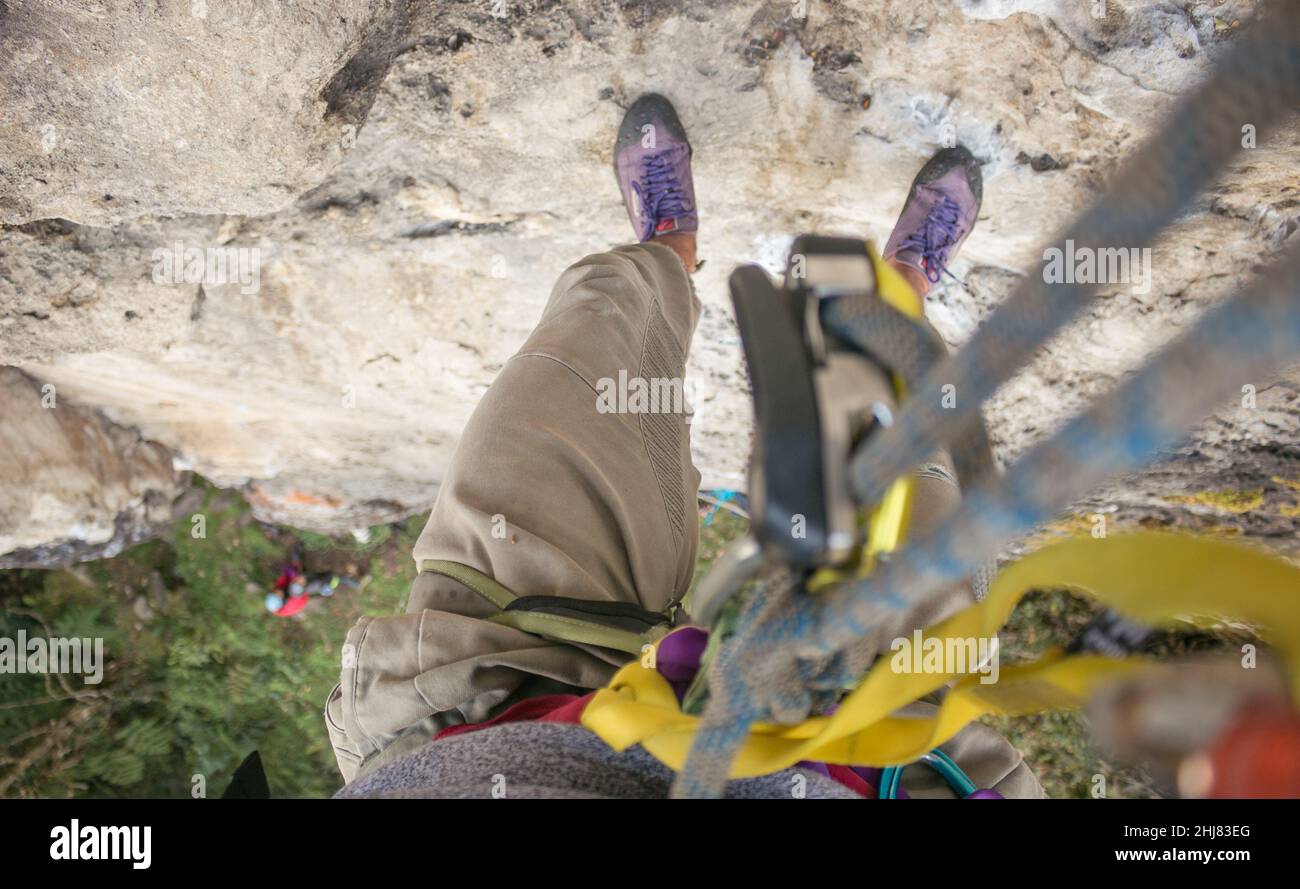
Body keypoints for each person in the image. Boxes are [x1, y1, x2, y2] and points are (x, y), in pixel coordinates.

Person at [325, 93, 1043, 798]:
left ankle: (666, 247)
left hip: (497, 694)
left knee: (590, 335)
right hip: (887, 745)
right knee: (917, 453)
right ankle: (905, 287)